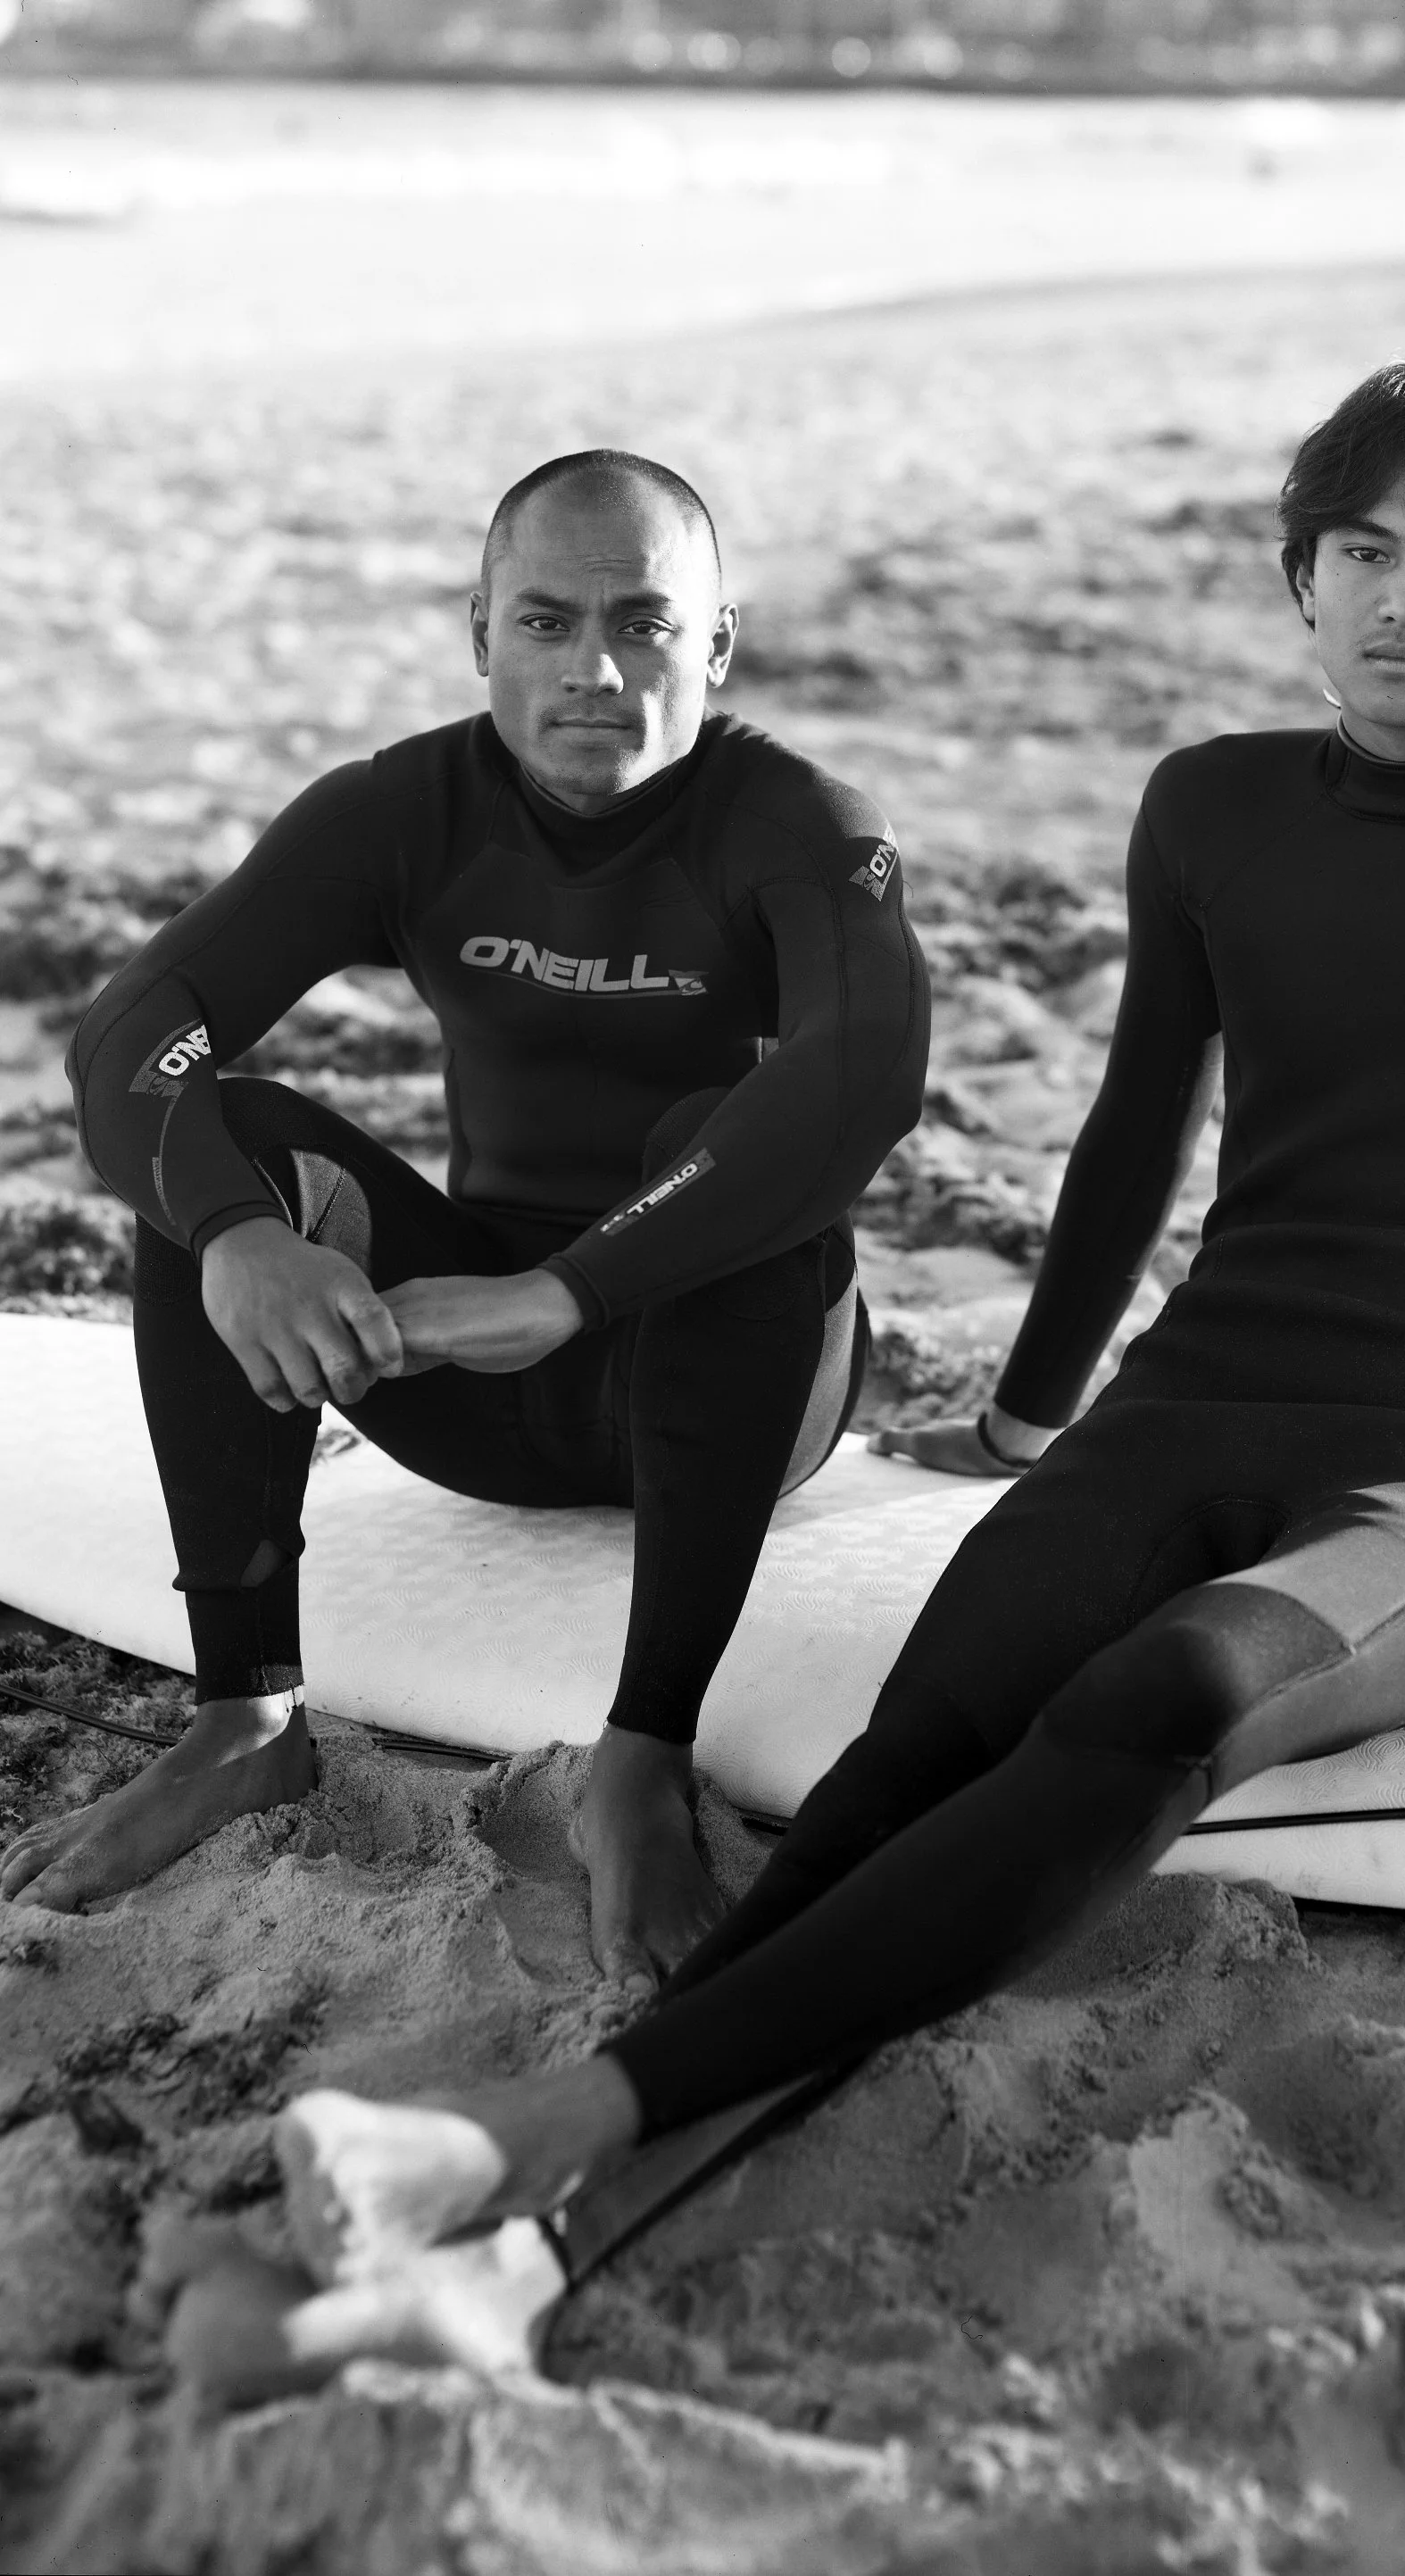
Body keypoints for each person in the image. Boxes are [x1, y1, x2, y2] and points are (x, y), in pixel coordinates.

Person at [189, 360, 1405, 2363]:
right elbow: (1136, 1133)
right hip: (1181, 1405)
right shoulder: (1211, 808)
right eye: (1366, 552)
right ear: (1298, 581)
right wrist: (1033, 1411)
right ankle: (516, 2265)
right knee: (911, 1750)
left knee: (1153, 1704)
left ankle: (526, 2143)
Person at [1, 450, 929, 1987]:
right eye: (549, 623)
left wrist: (569, 1289)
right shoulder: (406, 809)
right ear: (479, 630)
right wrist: (237, 1232)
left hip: (738, 1390)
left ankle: (642, 1756)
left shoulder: (799, 824)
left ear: (718, 642)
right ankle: (244, 1713)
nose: (596, 670)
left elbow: (856, 1088)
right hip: (461, 1378)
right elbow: (133, 1028)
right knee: (223, 1148)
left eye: (645, 623)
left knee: (739, 1147)